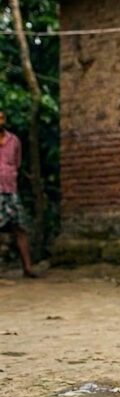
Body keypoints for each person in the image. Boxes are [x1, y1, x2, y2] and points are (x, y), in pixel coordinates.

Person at [0, 111, 37, 278]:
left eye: (0, 117)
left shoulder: (14, 141)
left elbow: (17, 164)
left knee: (20, 228)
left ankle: (28, 268)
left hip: (11, 190)